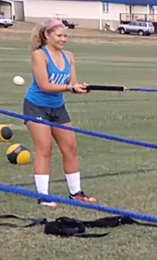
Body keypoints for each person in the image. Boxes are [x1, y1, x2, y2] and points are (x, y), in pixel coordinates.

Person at [24, 18, 95, 206]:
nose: (63, 39)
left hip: (58, 107)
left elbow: (71, 84)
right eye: (59, 35)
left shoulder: (69, 56)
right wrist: (70, 88)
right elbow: (45, 85)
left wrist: (79, 88)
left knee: (70, 148)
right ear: (47, 35)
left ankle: (75, 193)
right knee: (44, 149)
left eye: (65, 36)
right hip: (36, 106)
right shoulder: (40, 55)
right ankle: (43, 196)